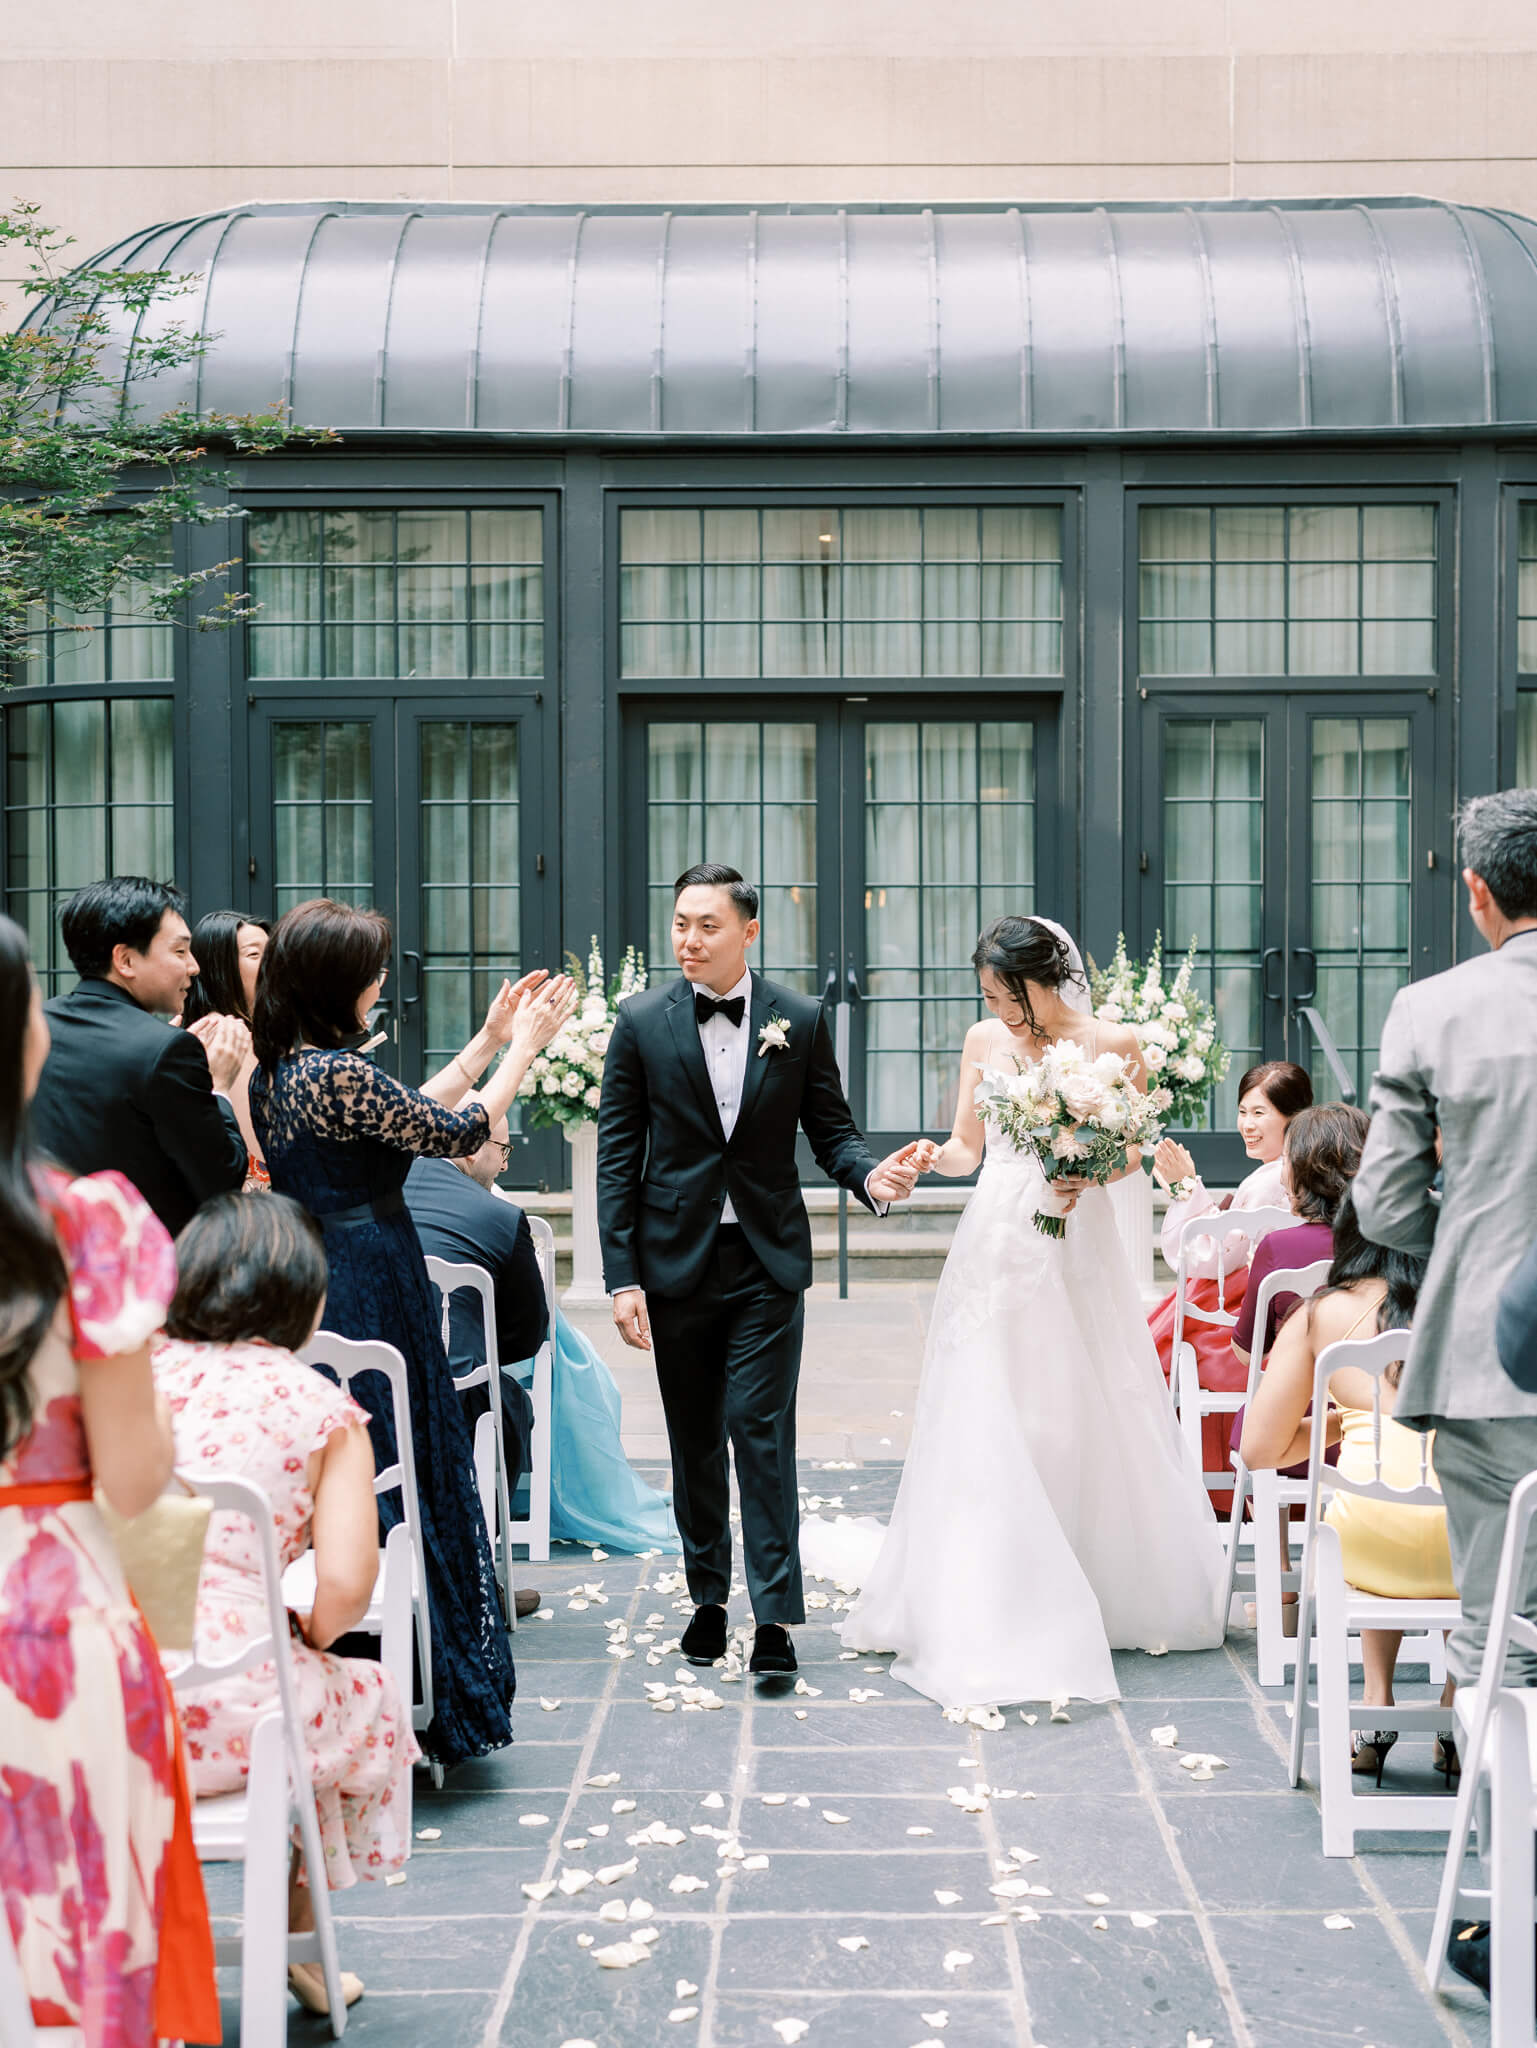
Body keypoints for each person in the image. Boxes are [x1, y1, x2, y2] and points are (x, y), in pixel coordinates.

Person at [809, 915, 1227, 1710]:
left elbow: (1134, 1148)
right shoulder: (979, 1042)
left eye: (1008, 995)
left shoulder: (1118, 1041)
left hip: (1079, 1234)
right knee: (990, 1394)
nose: (998, 1009)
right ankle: (991, 1576)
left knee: (1079, 1393)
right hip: (997, 1229)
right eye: (989, 995)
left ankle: (1094, 1574)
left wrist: (1087, 1170)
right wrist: (933, 1157)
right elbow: (969, 1147)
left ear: (1046, 980)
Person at [249, 897, 577, 1768]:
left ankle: (364, 1668)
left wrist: (483, 1039)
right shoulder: (337, 1074)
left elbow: (397, 1120)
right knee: (407, 1455)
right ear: (336, 985)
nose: (382, 980)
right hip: (371, 1275)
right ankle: (426, 1686)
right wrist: (523, 1050)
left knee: (350, 1460)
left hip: (311, 1272)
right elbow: (455, 1133)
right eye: (372, 970)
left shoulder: (283, 1068)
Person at [596, 863, 922, 1678]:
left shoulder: (799, 1019)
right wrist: (620, 1275)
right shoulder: (639, 1020)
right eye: (679, 923)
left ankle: (774, 1618)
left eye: (707, 925)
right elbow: (615, 1157)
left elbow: (831, 1130)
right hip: (674, 1264)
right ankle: (708, 1597)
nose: (688, 940)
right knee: (693, 1440)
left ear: (748, 931)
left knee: (761, 1434)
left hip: (766, 1262)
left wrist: (869, 1178)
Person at [0, 912, 219, 2046]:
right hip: (49, 1622)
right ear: (20, 1039)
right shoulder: (82, 1225)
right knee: (76, 1954)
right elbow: (135, 1479)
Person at [156, 1192, 420, 2019]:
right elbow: (345, 1587)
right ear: (304, 1296)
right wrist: (307, 1633)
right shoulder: (320, 1409)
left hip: (107, 1697)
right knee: (366, 1694)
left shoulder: (129, 1379)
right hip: (241, 1719)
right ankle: (299, 1940)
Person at [1353, 789, 1537, 1710]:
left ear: (1476, 891)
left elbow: (1383, 1201)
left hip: (1490, 1353)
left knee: (1503, 1617)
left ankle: (1509, 1838)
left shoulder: (1433, 1009)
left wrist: (1462, 1233)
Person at [1239, 1191, 1455, 1786]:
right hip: (1476, 1559)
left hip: (1368, 1549)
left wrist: (1349, 1419)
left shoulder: (1323, 1313)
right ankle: (1453, 1710)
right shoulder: (1479, 1306)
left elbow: (1259, 1448)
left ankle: (1377, 1699)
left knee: (1370, 1503)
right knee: (1459, 1508)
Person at [405, 1100, 676, 1560]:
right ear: (472, 1149)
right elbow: (528, 1335)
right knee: (510, 1403)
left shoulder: (376, 1194)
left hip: (375, 1390)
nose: (503, 1165)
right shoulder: (500, 1218)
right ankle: (478, 1564)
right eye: (503, 1152)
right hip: (460, 1399)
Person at [28, 876, 250, 1236]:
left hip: (48, 1251)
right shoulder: (168, 1051)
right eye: (180, 952)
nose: (193, 967)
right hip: (142, 1268)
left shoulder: (34, 1025)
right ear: (126, 960)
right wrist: (219, 1086)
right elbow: (223, 1179)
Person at [1146, 1061, 1313, 1488]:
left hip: (1245, 1309)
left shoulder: (1267, 1179)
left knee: (1161, 1344)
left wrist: (1187, 1189)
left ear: (1291, 1118)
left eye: (1260, 1113)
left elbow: (1209, 1256)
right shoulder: (1302, 1167)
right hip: (1289, 1302)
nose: (1246, 1125)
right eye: (1243, 1112)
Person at [1232, 1101, 1371, 1369]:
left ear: (1307, 1170)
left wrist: (1258, 1281)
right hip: (1374, 1404)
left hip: (1298, 1404)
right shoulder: (1392, 1243)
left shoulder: (1277, 1247)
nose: (1282, 1175)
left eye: (1286, 1159)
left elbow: (1248, 1355)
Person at [182, 907, 270, 1175]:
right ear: (220, 967)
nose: (272, 964)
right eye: (255, 955)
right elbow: (260, 1151)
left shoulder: (245, 1030)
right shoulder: (228, 1036)